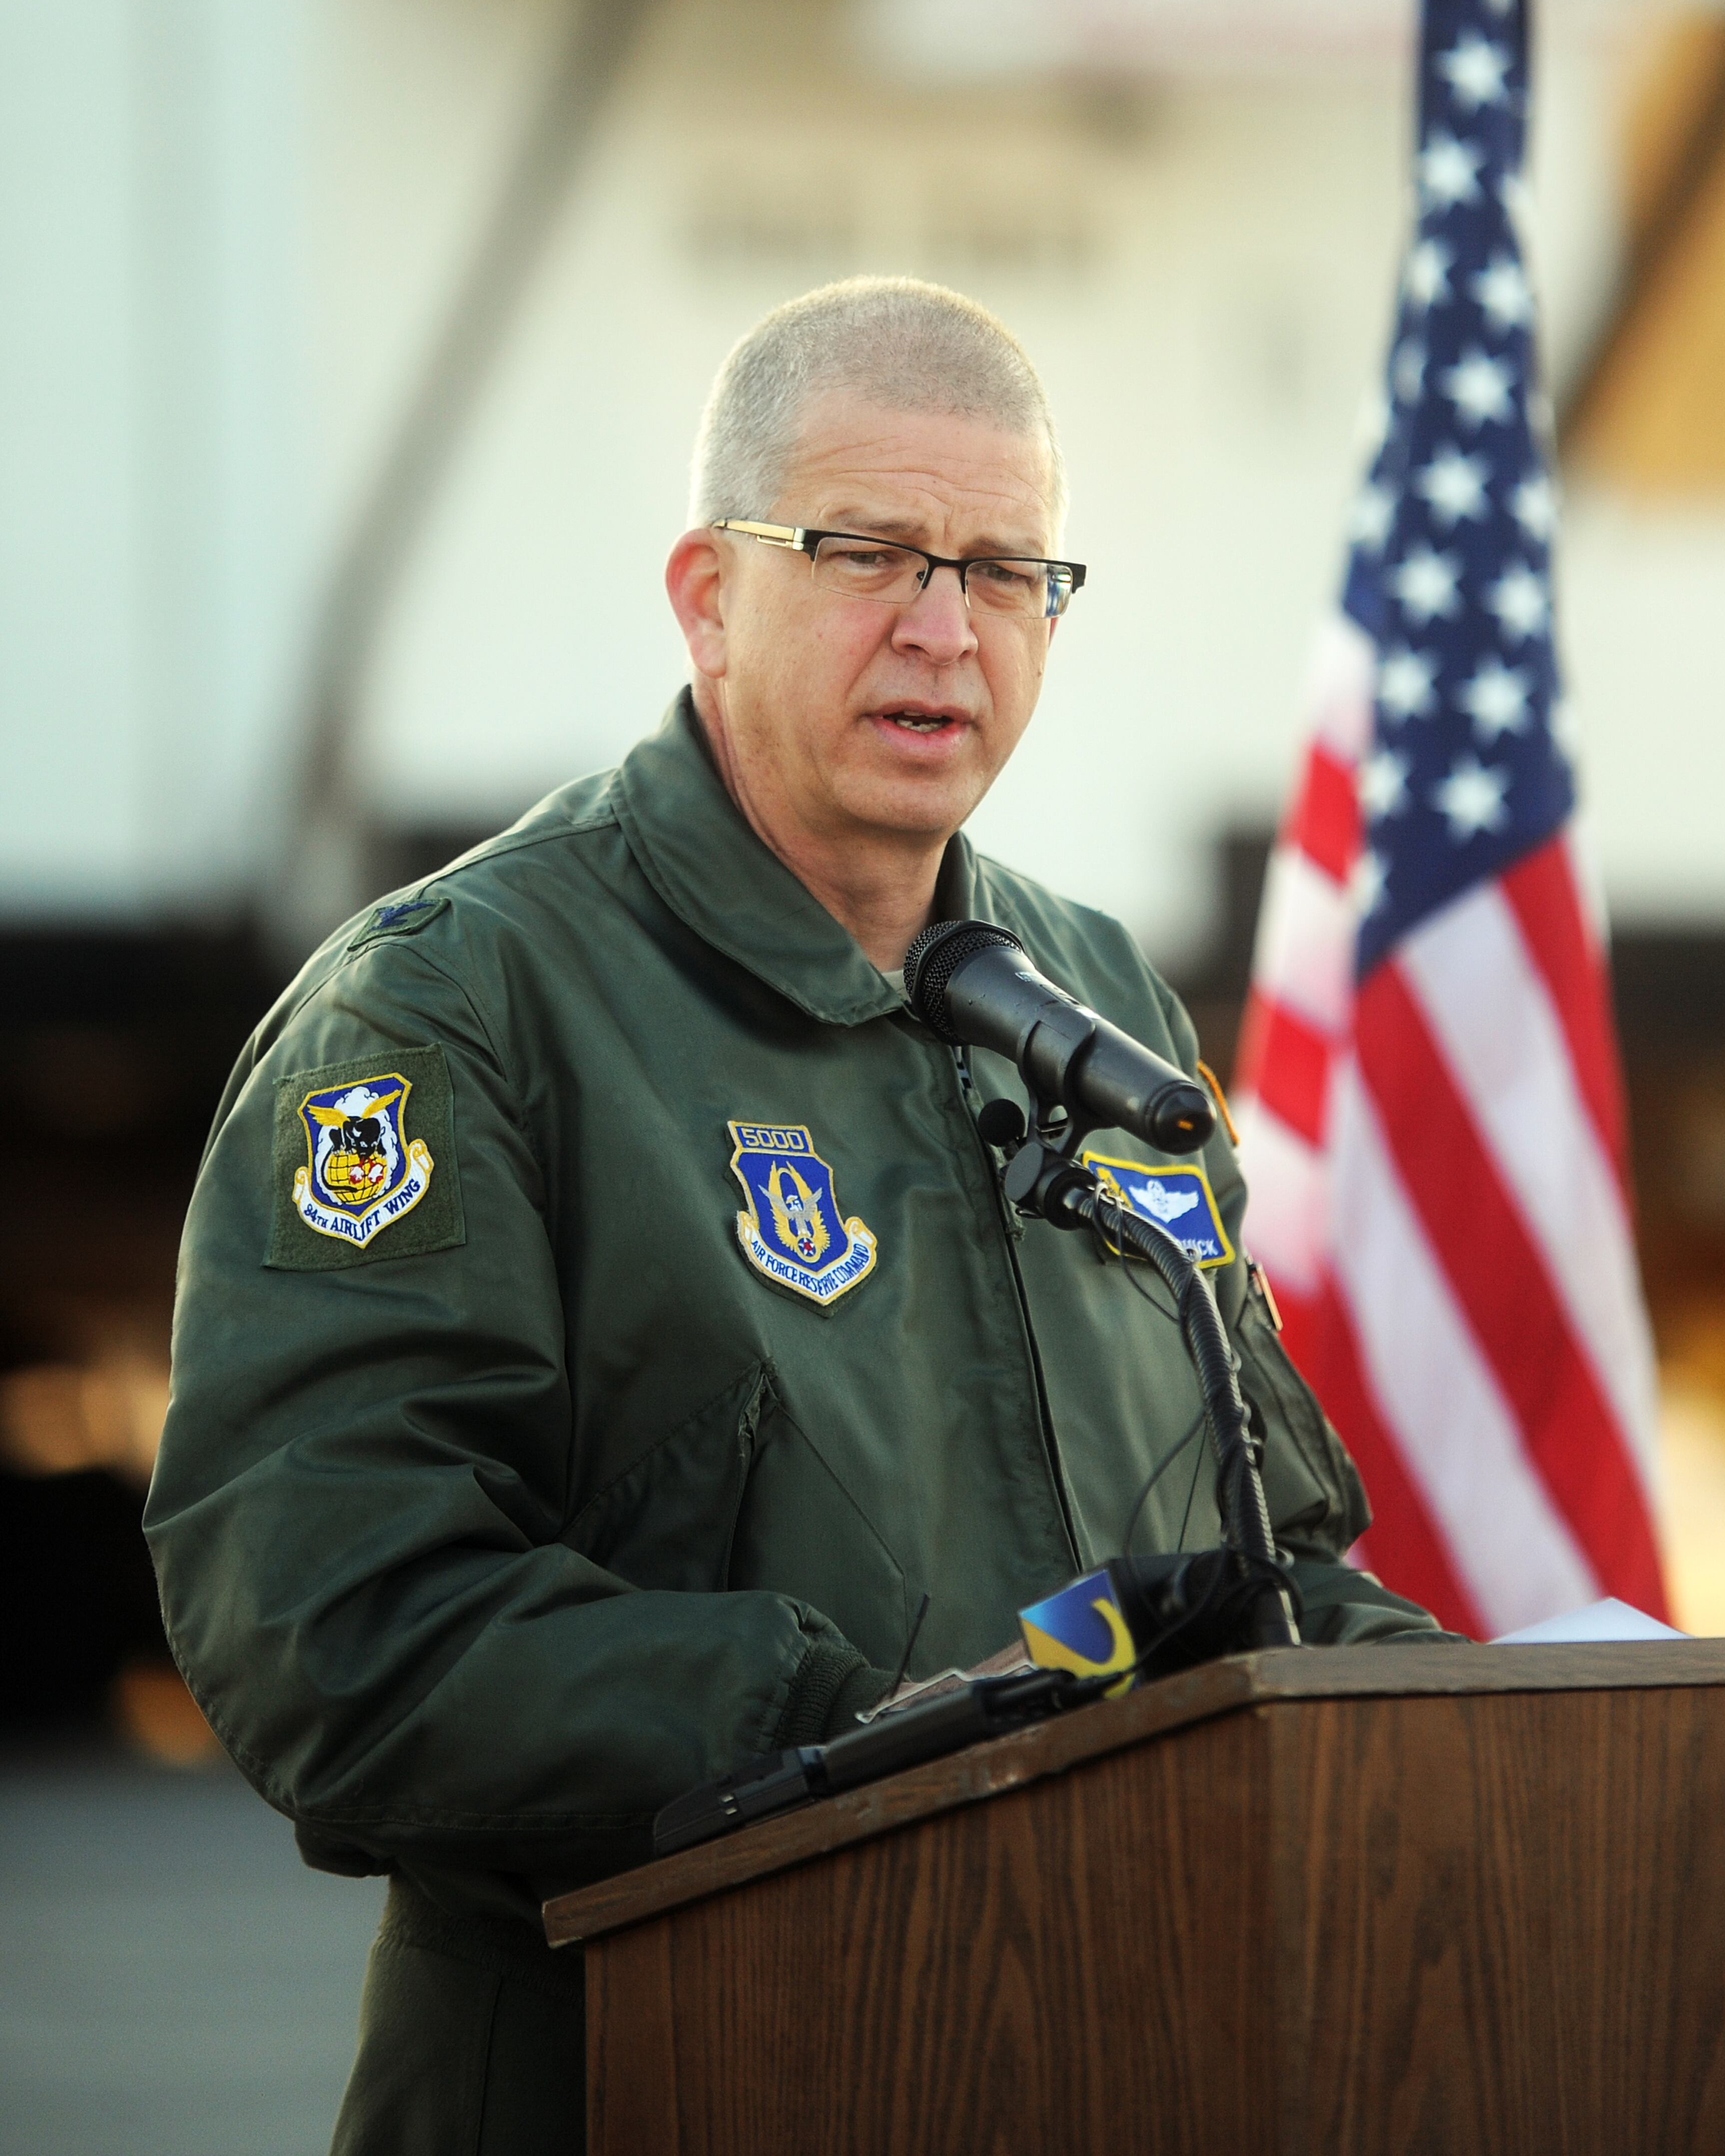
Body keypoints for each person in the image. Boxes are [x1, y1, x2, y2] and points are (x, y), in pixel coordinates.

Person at [146, 278, 1445, 2156]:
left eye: (1007, 572)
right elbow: (337, 1632)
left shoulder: (1097, 1000)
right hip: (642, 2075)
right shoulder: (458, 1008)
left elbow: (1251, 1543)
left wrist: (1483, 1717)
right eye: (871, 553)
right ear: (707, 592)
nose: (945, 628)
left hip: (1106, 2049)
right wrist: (885, 1728)